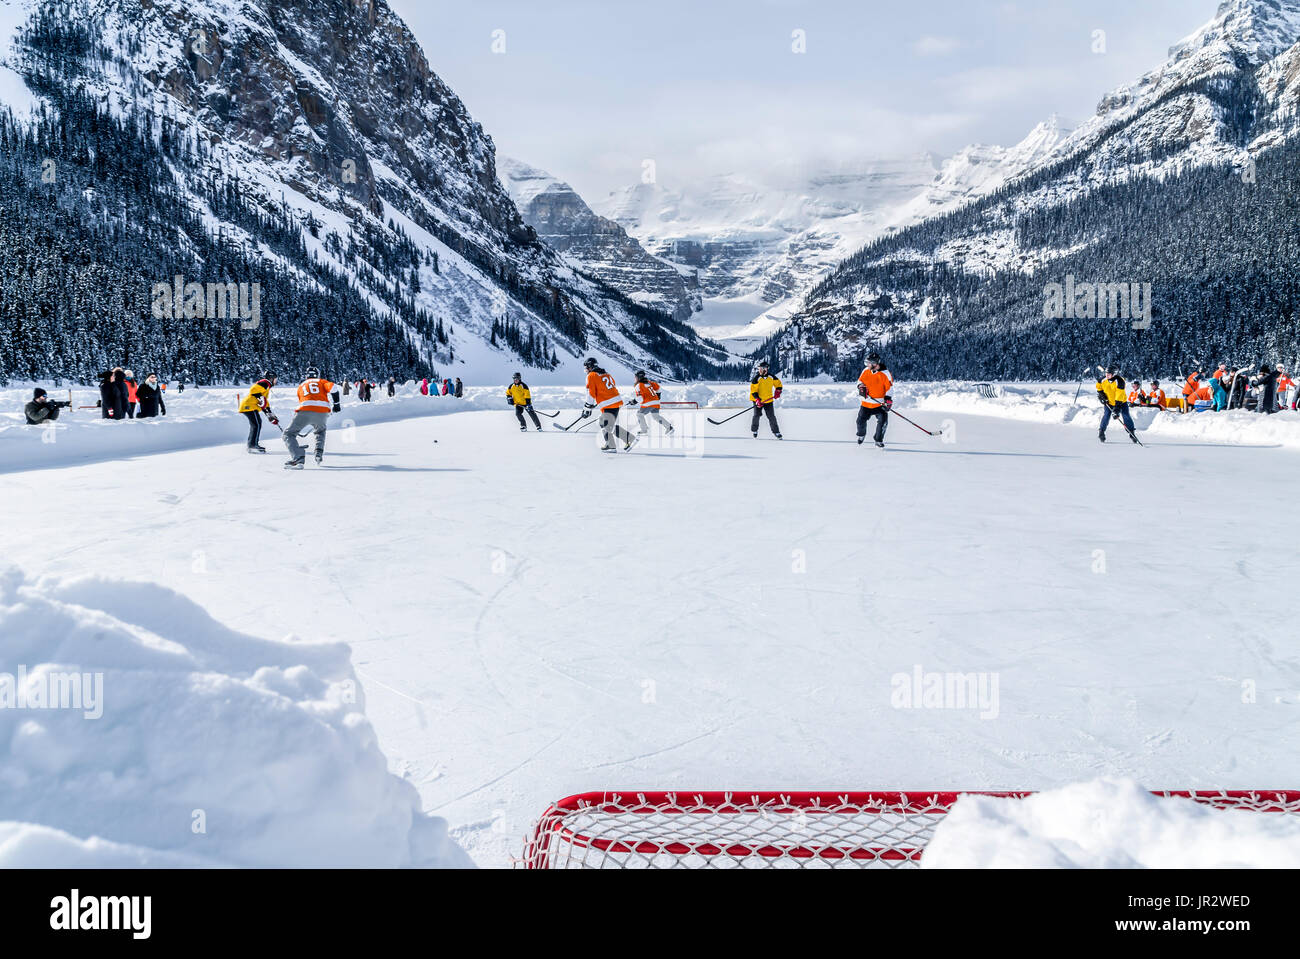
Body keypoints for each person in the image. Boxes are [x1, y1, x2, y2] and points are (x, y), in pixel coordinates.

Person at [283, 367, 339, 469]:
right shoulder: (322, 381)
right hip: (322, 412)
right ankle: (318, 453)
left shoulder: (301, 385)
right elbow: (334, 388)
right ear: (317, 375)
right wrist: (337, 404)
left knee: (288, 434)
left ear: (307, 376)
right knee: (320, 431)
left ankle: (298, 458)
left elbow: (302, 399)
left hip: (305, 410)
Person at [582, 357, 636, 452]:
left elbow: (591, 393)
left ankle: (620, 442)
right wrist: (599, 399)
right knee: (605, 423)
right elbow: (610, 386)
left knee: (606, 424)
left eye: (586, 368)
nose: (586, 370)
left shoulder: (591, 375)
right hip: (615, 401)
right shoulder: (606, 374)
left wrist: (587, 407)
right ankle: (613, 444)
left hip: (608, 403)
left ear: (590, 367)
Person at [856, 352, 893, 447]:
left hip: (879, 405)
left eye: (869, 363)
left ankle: (878, 440)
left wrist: (888, 400)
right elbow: (860, 381)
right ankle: (861, 434)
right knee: (860, 421)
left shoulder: (885, 374)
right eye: (866, 363)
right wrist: (861, 386)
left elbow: (889, 388)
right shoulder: (866, 370)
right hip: (866, 403)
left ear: (875, 363)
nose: (867, 365)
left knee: (883, 423)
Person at [1096, 366, 1138, 443]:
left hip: (1121, 402)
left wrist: (1117, 409)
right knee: (1106, 415)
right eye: (1106, 373)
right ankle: (1101, 431)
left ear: (1114, 374)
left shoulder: (1120, 381)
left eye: (1109, 374)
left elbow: (1119, 395)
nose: (1107, 375)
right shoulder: (1102, 380)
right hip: (1109, 402)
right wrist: (1102, 397)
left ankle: (1131, 432)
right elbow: (1099, 388)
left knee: (1126, 415)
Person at [238, 374, 279, 453]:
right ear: (271, 379)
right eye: (275, 379)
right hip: (249, 406)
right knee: (257, 424)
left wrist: (270, 414)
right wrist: (260, 398)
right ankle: (252, 445)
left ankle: (252, 445)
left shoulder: (267, 386)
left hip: (251, 406)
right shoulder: (265, 382)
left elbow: (264, 402)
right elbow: (253, 390)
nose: (276, 381)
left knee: (256, 424)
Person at [631, 370, 674, 436]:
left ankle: (644, 430)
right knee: (656, 416)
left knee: (639, 414)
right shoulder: (649, 382)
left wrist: (634, 401)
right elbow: (658, 388)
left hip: (648, 403)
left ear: (638, 377)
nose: (635, 378)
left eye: (635, 376)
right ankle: (669, 427)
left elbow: (640, 398)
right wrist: (658, 395)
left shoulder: (638, 385)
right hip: (656, 402)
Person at [749, 359, 783, 440]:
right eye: (759, 369)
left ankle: (776, 432)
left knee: (771, 416)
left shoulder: (771, 377)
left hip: (768, 400)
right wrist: (757, 400)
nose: (760, 370)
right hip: (757, 400)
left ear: (766, 369)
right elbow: (753, 391)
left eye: (762, 368)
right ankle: (754, 430)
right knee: (757, 415)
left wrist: (778, 391)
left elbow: (778, 385)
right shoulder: (756, 378)